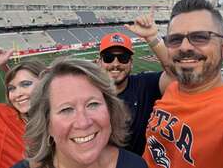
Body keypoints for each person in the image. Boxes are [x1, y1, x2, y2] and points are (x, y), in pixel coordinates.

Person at [139, 0, 223, 168]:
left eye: (200, 37)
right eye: (175, 39)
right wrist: (153, 38)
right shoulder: (172, 87)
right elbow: (169, 65)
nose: (184, 47)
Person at [11, 58, 148, 168]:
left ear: (110, 111)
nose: (83, 123)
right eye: (66, 110)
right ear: (47, 124)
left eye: (93, 104)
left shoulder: (135, 165)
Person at [98, 32, 171, 155]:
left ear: (131, 63)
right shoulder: (88, 93)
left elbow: (176, 75)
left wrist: (152, 37)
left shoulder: (145, 85)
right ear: (100, 62)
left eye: (123, 58)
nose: (115, 64)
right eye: (108, 58)